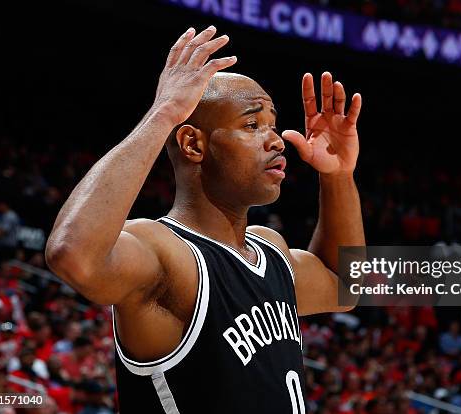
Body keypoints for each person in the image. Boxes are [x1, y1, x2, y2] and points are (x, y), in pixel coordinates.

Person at [45, 25, 364, 413]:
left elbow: (345, 284)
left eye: (273, 125)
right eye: (252, 125)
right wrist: (164, 114)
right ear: (193, 144)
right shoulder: (166, 253)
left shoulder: (270, 248)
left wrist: (338, 176)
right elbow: (72, 254)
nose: (277, 139)